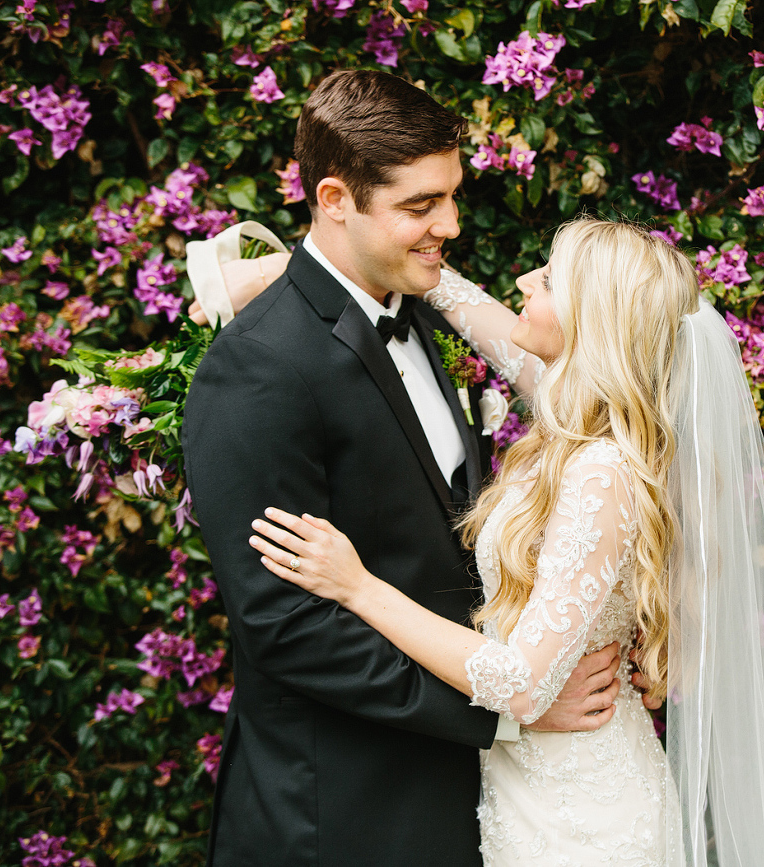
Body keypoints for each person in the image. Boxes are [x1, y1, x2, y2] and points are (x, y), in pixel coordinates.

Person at [230, 215, 764, 866]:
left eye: (545, 277)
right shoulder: (576, 409)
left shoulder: (600, 473)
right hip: (535, 791)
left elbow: (520, 686)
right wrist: (320, 264)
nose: (521, 279)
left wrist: (358, 587)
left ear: (588, 320)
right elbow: (460, 301)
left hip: (583, 820)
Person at [181, 70, 625, 867]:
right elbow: (288, 628)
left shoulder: (416, 309)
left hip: (472, 799)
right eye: (420, 206)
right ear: (335, 197)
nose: (449, 224)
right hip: (345, 814)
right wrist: (508, 710)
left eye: (451, 197)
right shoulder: (256, 369)